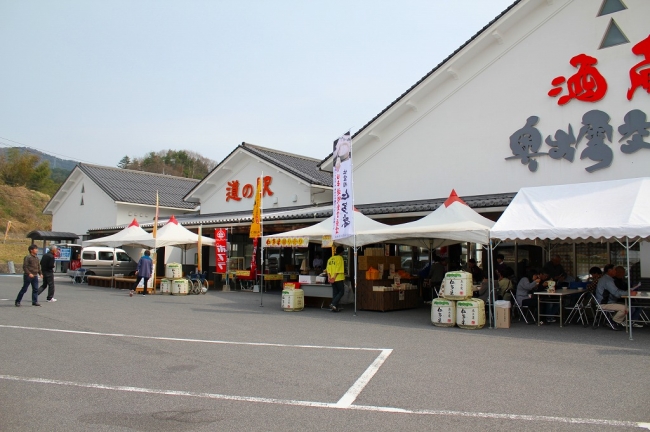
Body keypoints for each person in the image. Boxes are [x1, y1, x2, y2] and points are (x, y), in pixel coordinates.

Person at [326, 246, 345, 312]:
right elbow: (338, 269)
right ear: (342, 252)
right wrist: (334, 277)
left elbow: (327, 269)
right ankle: (333, 304)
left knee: (335, 292)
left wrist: (329, 277)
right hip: (338, 278)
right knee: (341, 292)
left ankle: (334, 307)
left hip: (331, 278)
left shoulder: (330, 258)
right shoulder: (340, 258)